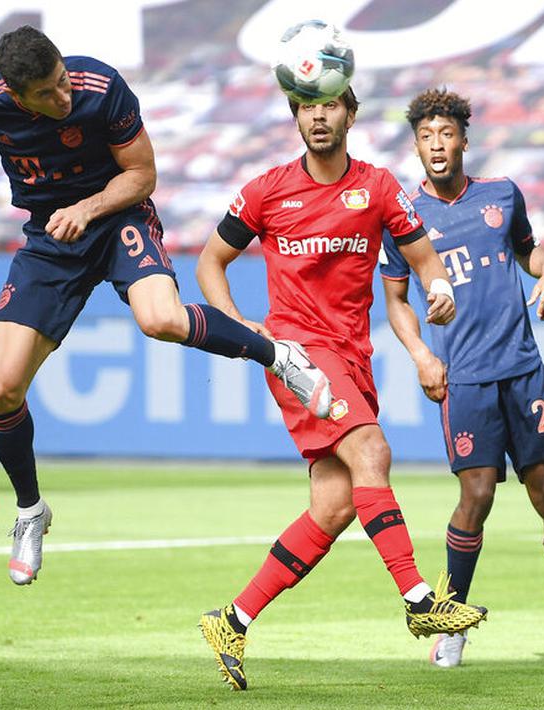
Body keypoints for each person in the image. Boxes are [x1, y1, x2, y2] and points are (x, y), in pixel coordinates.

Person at [0, 25, 333, 586]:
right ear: (16, 95)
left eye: (61, 81)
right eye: (48, 93)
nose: (64, 96)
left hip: (116, 215)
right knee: (1, 389)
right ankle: (30, 511)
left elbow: (143, 175)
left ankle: (278, 354)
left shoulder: (100, 86)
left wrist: (90, 207)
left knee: (160, 319)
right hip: (50, 239)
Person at [194, 85, 488, 691]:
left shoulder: (378, 187)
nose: (318, 116)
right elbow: (208, 263)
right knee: (373, 453)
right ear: (296, 116)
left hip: (353, 356)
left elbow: (424, 258)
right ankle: (418, 598)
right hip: (299, 355)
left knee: (333, 506)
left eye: (329, 105)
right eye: (307, 107)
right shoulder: (265, 190)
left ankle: (232, 619)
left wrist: (439, 287)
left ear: (349, 114)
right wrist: (241, 325)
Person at [382, 87, 544, 669]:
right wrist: (421, 353)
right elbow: (395, 299)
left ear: (463, 141)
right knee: (475, 496)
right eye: (426, 137)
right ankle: (454, 625)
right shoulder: (404, 215)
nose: (437, 145)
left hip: (521, 370)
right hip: (464, 377)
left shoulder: (502, 195)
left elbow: (533, 253)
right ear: (417, 147)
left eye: (446, 135)